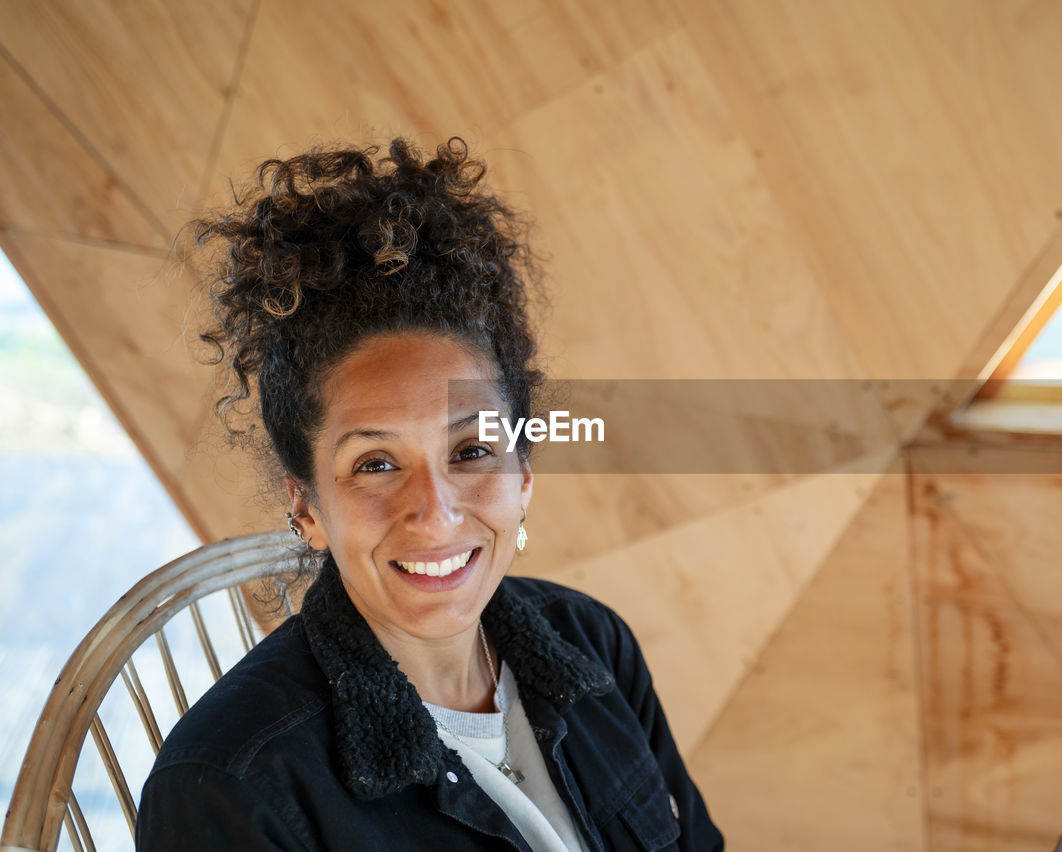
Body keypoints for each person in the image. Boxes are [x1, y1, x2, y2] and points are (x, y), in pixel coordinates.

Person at [136, 139, 723, 851]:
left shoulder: (594, 644)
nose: (437, 512)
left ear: (525, 475)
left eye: (473, 452)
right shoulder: (231, 785)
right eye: (376, 464)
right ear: (307, 508)